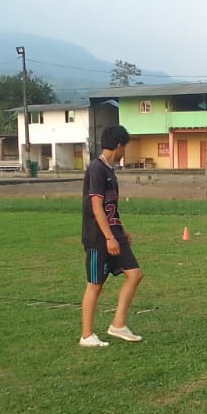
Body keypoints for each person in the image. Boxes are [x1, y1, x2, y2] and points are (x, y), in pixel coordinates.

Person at [80, 125, 144, 347]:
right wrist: (109, 237)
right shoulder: (96, 169)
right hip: (98, 238)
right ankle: (86, 336)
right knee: (95, 285)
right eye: (125, 147)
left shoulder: (110, 171)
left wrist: (120, 230)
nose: (125, 152)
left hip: (114, 234)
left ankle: (118, 324)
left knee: (134, 274)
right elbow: (97, 206)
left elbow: (110, 208)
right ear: (118, 146)